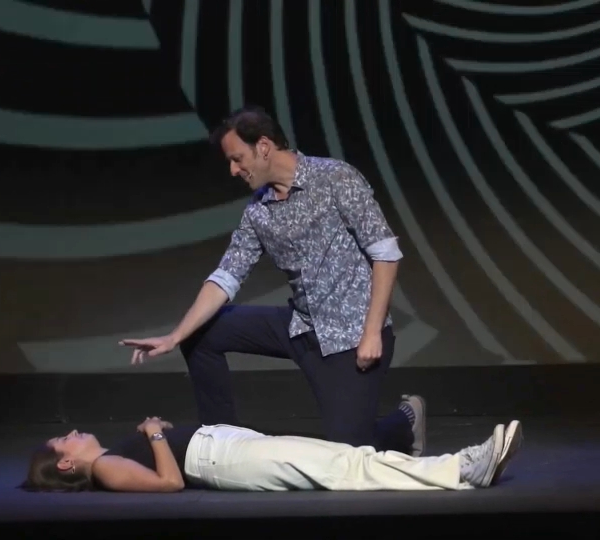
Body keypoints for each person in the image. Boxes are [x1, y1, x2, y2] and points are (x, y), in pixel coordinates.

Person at [119, 105, 424, 456]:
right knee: (201, 332)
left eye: (237, 159)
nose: (233, 170)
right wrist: (174, 336)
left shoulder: (335, 177)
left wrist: (372, 333)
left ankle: (404, 422)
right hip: (300, 327)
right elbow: (226, 276)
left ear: (263, 146)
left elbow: (385, 253)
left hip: (352, 337)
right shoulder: (258, 210)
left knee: (348, 454)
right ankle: (221, 447)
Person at [20, 416, 523, 493]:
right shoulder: (104, 467)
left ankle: (461, 469)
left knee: (346, 458)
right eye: (64, 441)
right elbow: (168, 483)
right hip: (218, 460)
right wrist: (154, 434)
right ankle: (463, 467)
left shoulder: (108, 457)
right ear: (65, 463)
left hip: (222, 447)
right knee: (342, 466)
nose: (72, 433)